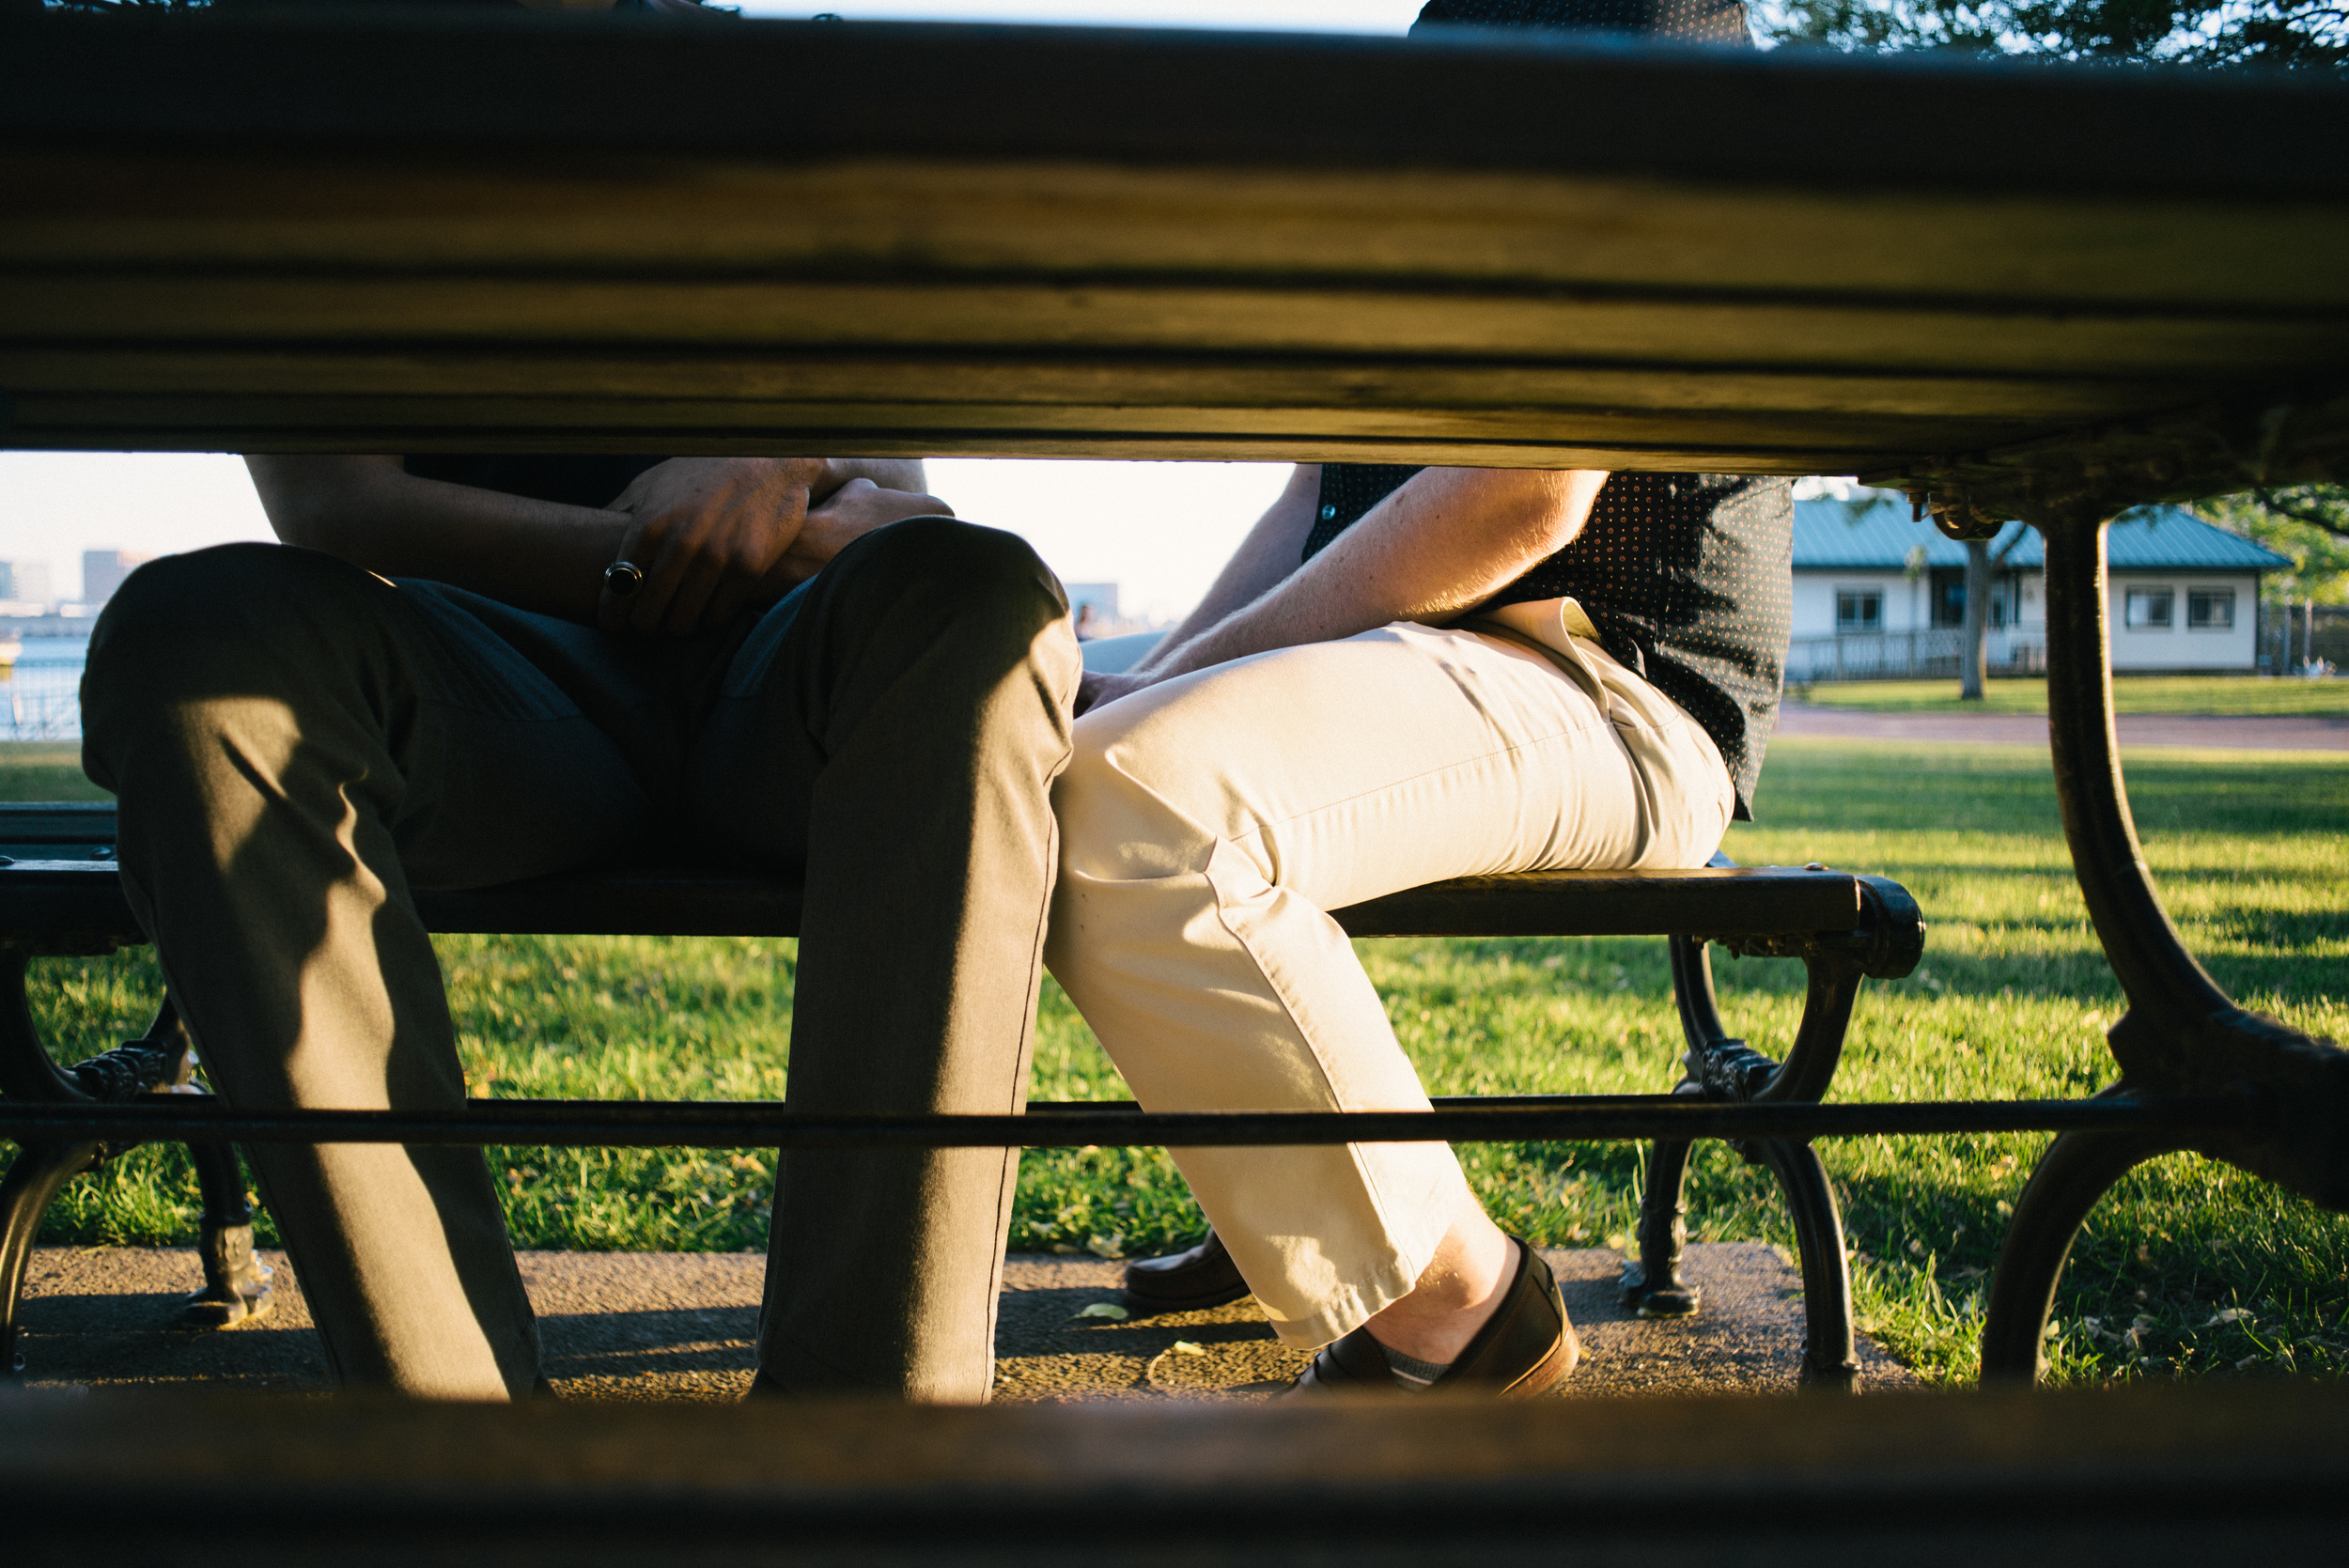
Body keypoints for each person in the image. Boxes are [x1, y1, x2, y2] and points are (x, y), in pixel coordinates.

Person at [1045, 0, 1787, 1397]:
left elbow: (1525, 493)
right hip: (1460, 654)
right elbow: (1321, 500)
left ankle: (1463, 1306)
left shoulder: (1648, 23)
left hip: (1618, 675)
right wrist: (1146, 676)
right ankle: (1299, 1207)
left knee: (1138, 803)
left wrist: (1160, 695)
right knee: (1091, 756)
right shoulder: (1462, 30)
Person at [81, 450, 1078, 1402]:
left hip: (796, 665)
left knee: (975, 595)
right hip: (477, 671)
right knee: (191, 638)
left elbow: (898, 495)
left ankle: (867, 1451)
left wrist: (768, 467)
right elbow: (329, 501)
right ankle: (461, 1450)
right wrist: (655, 551)